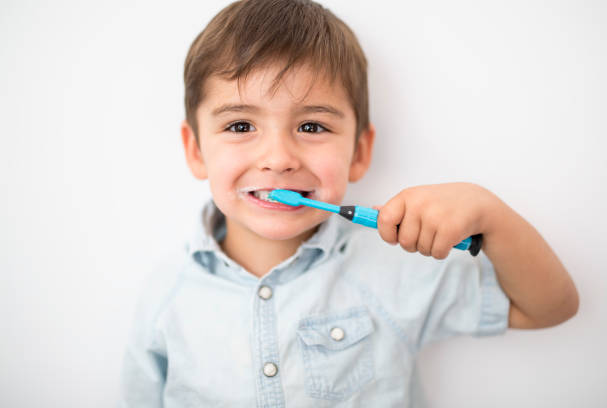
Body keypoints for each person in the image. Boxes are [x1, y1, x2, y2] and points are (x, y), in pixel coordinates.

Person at [118, 0, 579, 406]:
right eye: (240, 126)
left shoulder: (397, 270)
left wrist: (490, 215)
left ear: (358, 152)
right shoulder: (164, 301)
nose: (278, 159)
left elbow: (548, 307)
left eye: (312, 126)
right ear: (196, 150)